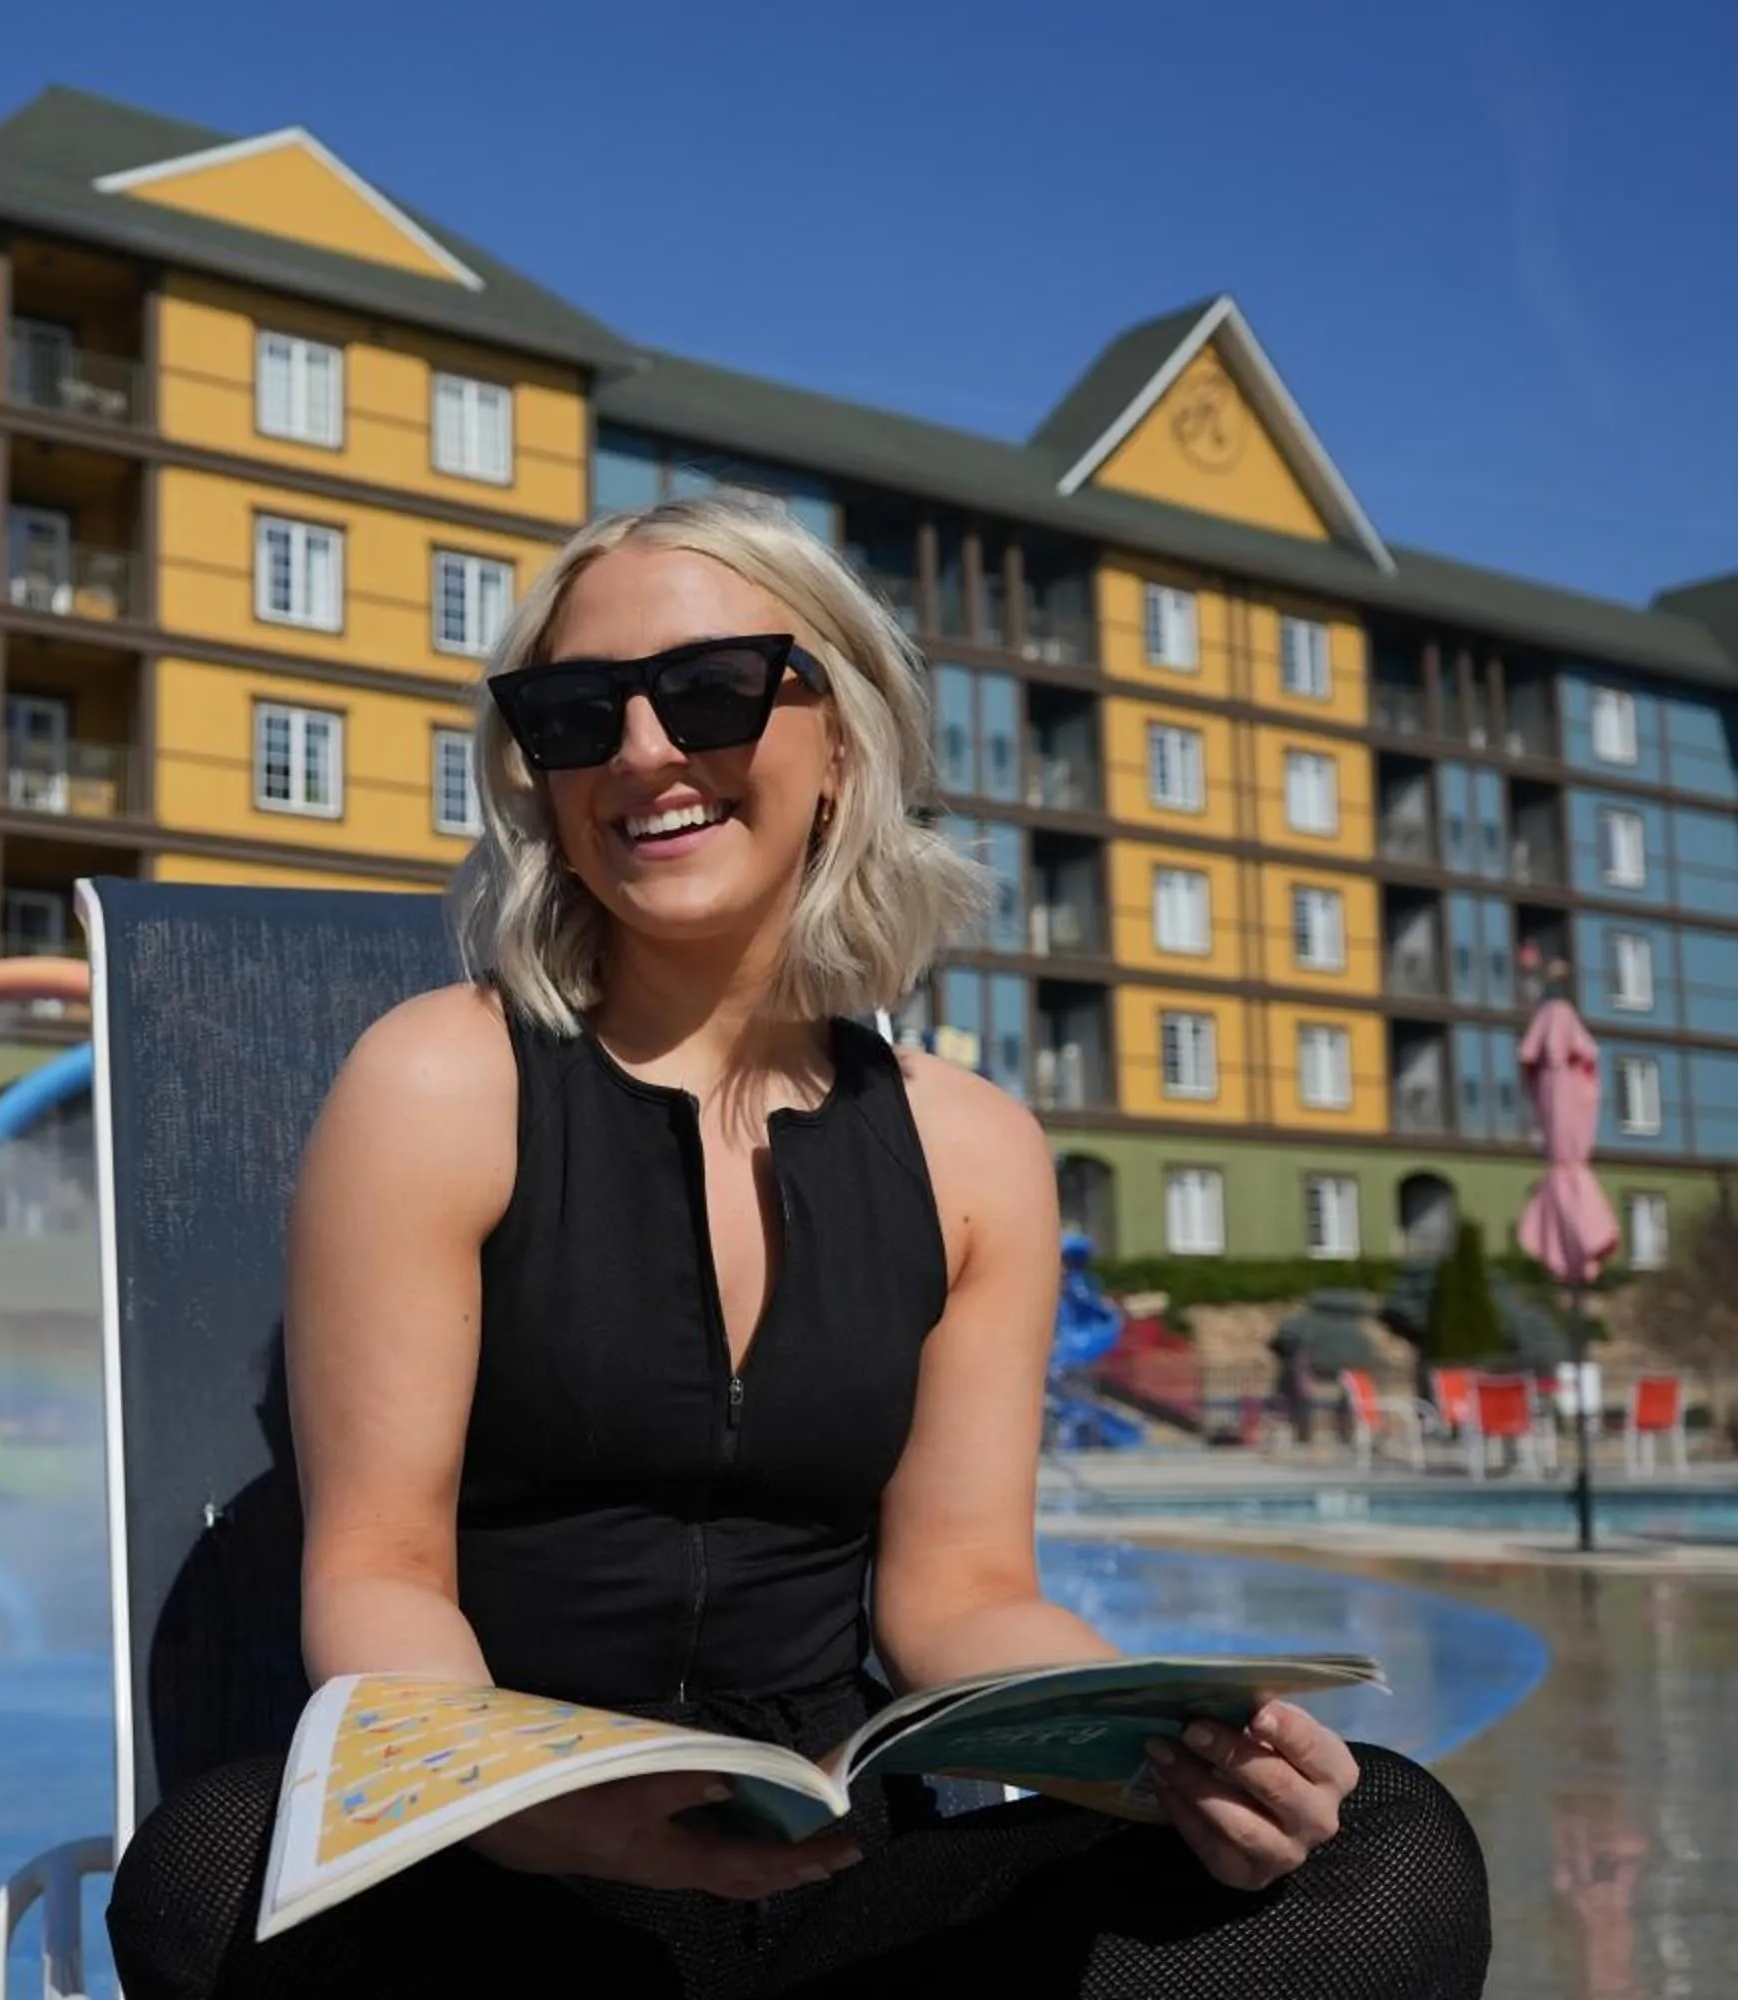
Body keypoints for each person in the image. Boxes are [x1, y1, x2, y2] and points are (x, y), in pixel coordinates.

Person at [104, 496, 1491, 1998]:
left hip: (854, 1894)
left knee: (1385, 1844)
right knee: (210, 1873)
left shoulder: (971, 1152)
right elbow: (379, 1563)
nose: (642, 752)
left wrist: (1183, 1751)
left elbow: (958, 1589)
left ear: (840, 740)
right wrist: (511, 1807)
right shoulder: (443, 1084)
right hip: (527, 1891)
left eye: (708, 690)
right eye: (577, 716)